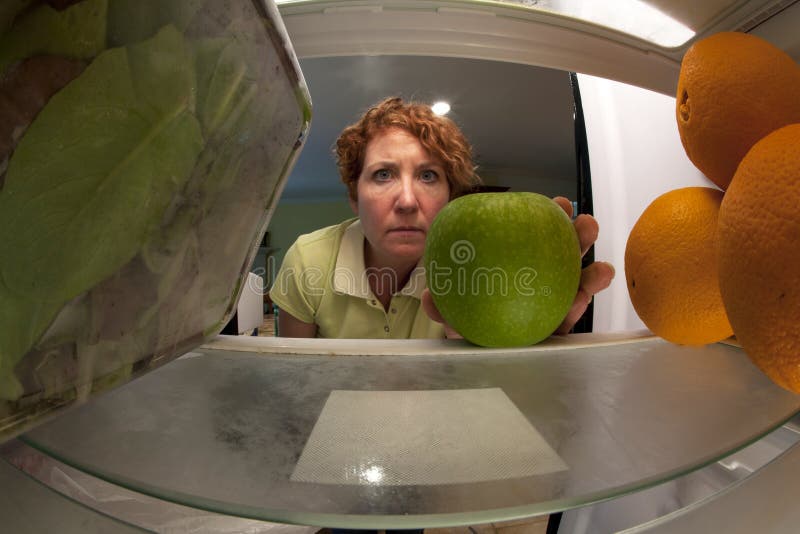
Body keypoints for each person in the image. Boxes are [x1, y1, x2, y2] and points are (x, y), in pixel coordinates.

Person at [269, 96, 614, 339]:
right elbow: (295, 388)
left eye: (428, 176)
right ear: (353, 198)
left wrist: (520, 342)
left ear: (450, 197)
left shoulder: (480, 274)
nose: (406, 201)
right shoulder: (306, 261)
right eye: (383, 175)